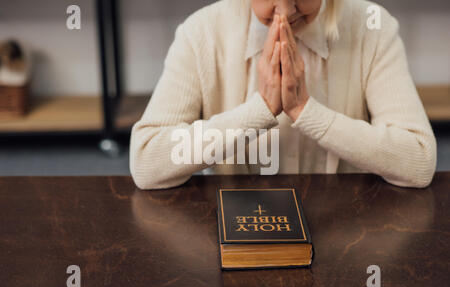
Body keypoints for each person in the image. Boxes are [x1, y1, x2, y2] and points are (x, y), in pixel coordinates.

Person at [130, 0, 437, 190]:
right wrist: (258, 110)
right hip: (238, 229)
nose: (286, 11)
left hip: (349, 230)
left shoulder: (374, 27)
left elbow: (419, 162)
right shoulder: (201, 32)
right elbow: (146, 163)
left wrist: (306, 111)